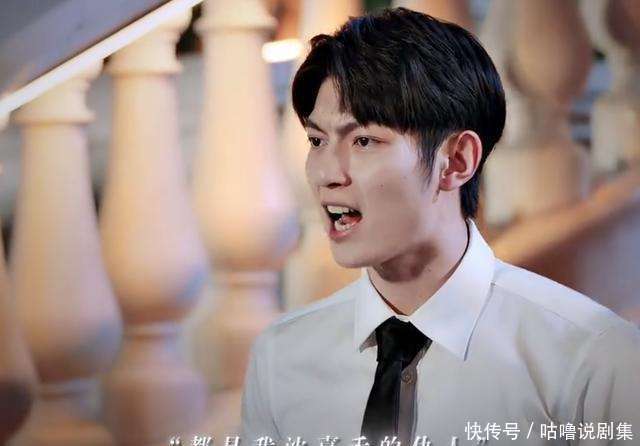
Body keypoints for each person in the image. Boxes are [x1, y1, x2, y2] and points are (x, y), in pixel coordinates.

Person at [240, 7, 640, 446]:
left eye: (364, 141)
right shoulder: (281, 357)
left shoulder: (592, 358)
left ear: (457, 161)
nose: (326, 174)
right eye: (317, 141)